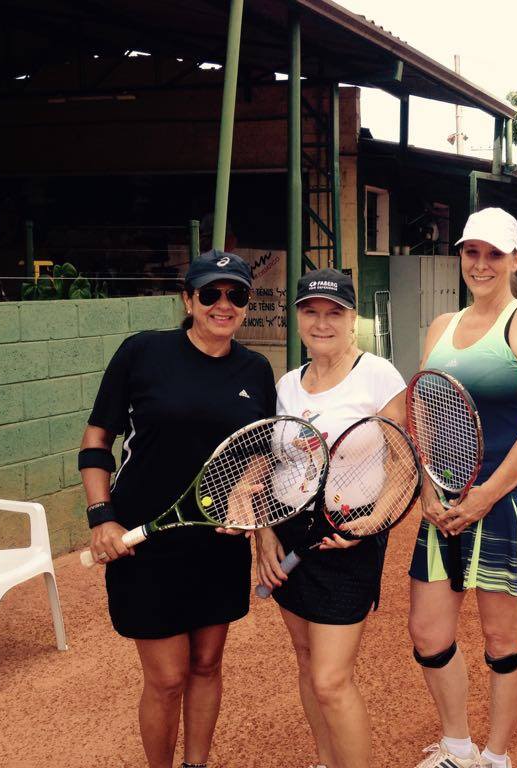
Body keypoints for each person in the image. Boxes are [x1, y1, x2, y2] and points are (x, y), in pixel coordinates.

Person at [81, 250, 276, 768]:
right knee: (167, 678)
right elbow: (96, 440)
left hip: (216, 544)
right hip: (145, 545)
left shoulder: (256, 370)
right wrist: (101, 516)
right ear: (188, 300)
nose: (223, 304)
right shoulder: (142, 352)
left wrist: (246, 489)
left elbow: (260, 450)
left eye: (236, 294)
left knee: (207, 664)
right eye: (210, 293)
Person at [407, 207, 517, 768]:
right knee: (428, 634)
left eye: (494, 254)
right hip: (445, 500)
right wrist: (428, 488)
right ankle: (456, 746)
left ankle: (496, 757)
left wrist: (487, 494)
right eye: (471, 252)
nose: (481, 263)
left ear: (514, 260)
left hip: (508, 503)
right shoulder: (440, 326)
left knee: (502, 642)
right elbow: (424, 409)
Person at [254, 268, 407, 768]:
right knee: (305, 660)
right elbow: (269, 465)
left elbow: (404, 464)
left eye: (334, 313)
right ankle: (326, 760)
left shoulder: (378, 376)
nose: (322, 323)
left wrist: (375, 522)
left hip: (349, 534)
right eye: (311, 312)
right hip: (289, 530)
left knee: (331, 679)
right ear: (298, 317)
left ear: (352, 318)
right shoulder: (286, 385)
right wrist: (264, 535)